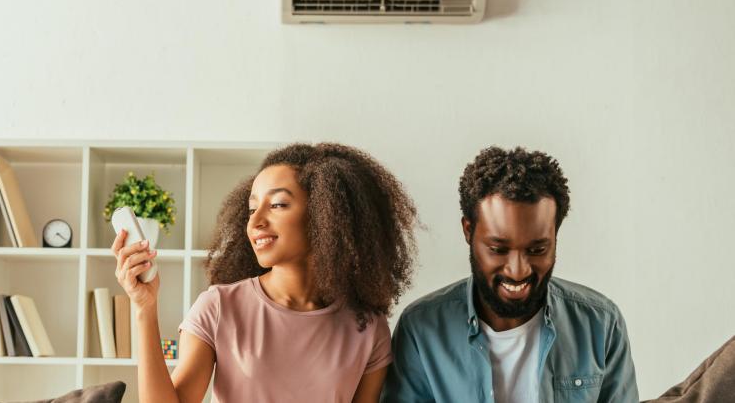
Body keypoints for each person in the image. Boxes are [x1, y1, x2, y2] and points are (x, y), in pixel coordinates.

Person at [113, 143, 418, 402]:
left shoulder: (367, 328)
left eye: (278, 204)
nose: (255, 221)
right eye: (252, 208)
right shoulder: (220, 307)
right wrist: (144, 308)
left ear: (327, 215)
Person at [382, 146, 638, 403]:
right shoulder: (421, 330)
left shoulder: (601, 324)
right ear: (468, 231)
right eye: (498, 249)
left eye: (537, 249)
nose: (518, 271)